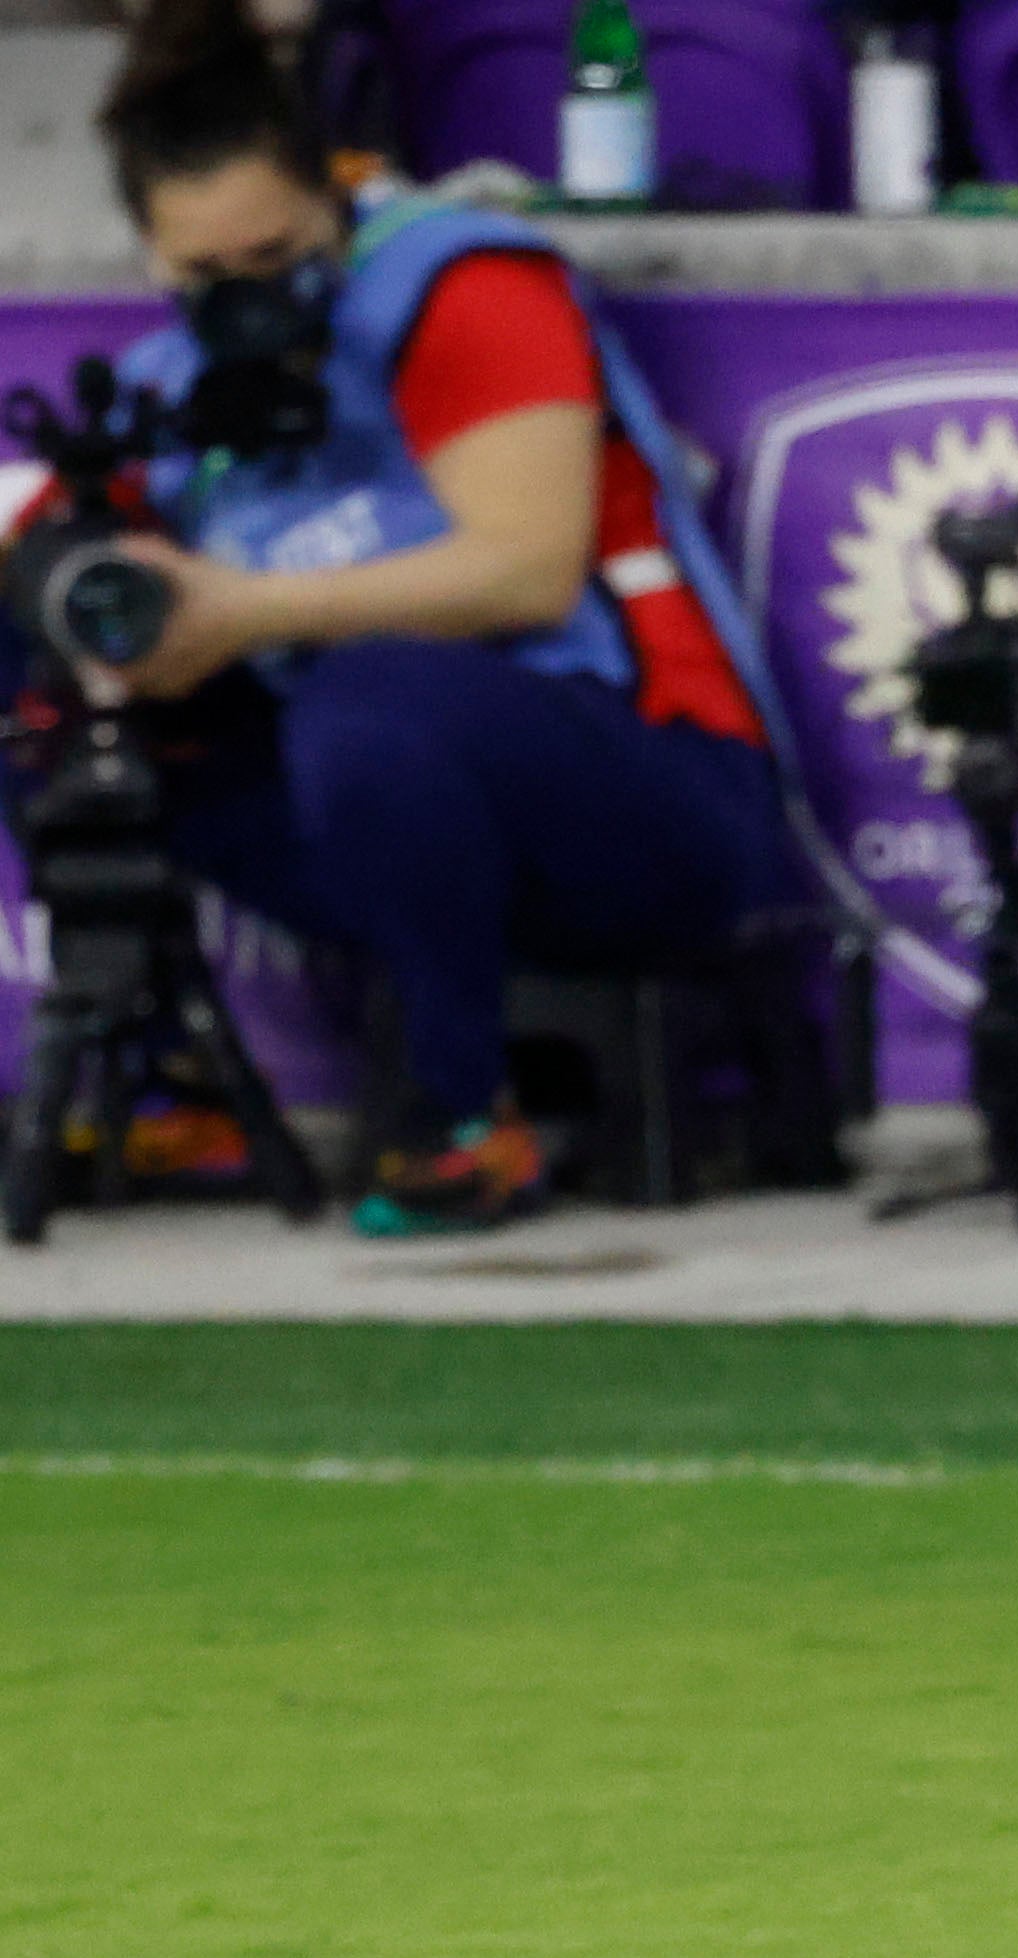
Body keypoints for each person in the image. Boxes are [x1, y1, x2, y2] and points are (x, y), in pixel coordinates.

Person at [50, 2, 796, 1233]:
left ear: (336, 195)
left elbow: (525, 574)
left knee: (370, 690)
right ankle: (170, 1070)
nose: (246, 298)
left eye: (274, 256)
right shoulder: (163, 386)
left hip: (658, 786)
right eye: (203, 275)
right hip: (400, 829)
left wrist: (243, 611)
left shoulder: (460, 281)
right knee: (59, 701)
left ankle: (461, 1116)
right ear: (147, 253)